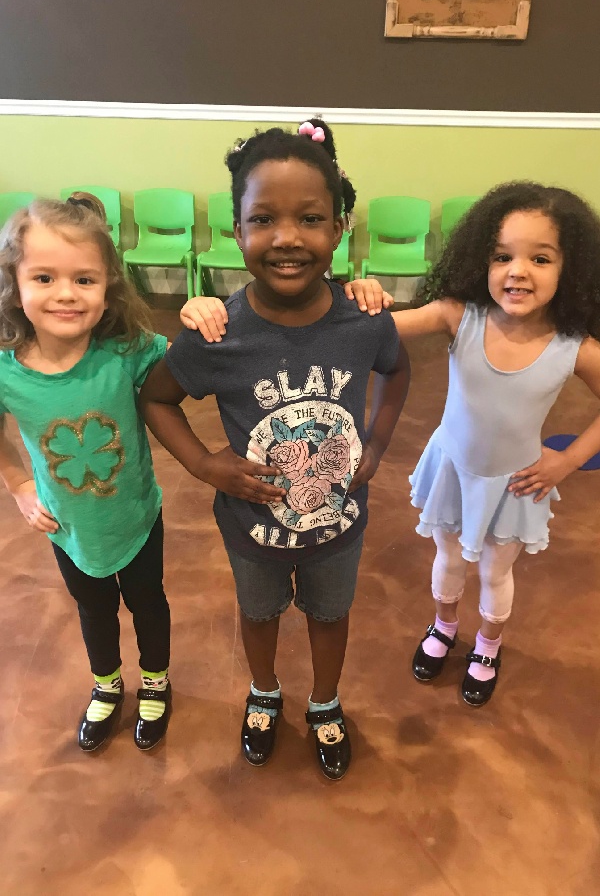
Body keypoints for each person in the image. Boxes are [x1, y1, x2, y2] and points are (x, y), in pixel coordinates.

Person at [187, 181, 600, 707]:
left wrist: (568, 459)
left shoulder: (575, 348)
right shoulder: (459, 316)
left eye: (540, 258)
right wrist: (360, 295)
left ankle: (488, 646)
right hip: (453, 468)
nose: (518, 270)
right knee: (448, 559)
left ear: (573, 269)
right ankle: (444, 626)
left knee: (497, 570)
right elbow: (360, 330)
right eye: (503, 256)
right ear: (483, 260)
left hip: (515, 483)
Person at [140, 125, 410, 779]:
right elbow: (156, 398)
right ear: (237, 229)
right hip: (252, 528)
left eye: (310, 218)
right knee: (258, 614)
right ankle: (263, 692)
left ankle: (325, 701)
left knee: (330, 614)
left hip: (339, 527)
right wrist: (205, 464)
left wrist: (375, 443)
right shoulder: (217, 334)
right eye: (264, 219)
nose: (288, 237)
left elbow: (397, 370)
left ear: (340, 227)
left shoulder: (363, 318)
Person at [0, 195, 172, 751]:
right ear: (15, 283)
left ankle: (155, 681)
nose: (66, 294)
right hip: (69, 528)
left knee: (148, 603)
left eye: (85, 279)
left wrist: (203, 315)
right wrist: (20, 485)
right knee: (93, 609)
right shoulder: (6, 370)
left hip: (137, 515)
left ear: (108, 289)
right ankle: (106, 684)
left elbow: (189, 362)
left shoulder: (126, 350)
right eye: (45, 277)